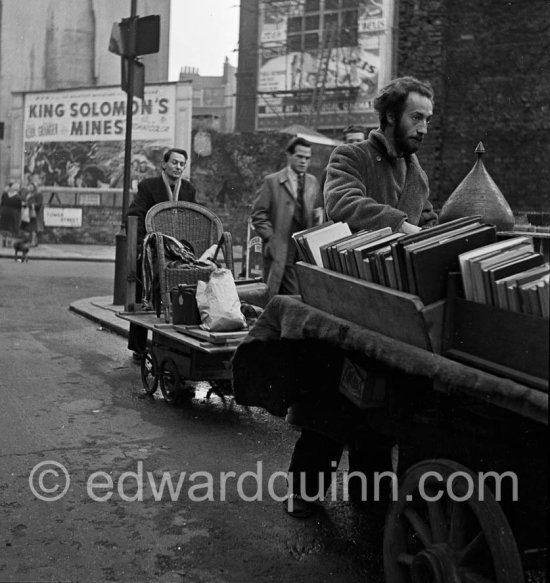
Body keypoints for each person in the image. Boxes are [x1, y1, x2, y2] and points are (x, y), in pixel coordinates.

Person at [285, 76, 438, 518]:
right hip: (345, 303)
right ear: (390, 116)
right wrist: (400, 225)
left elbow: (426, 219)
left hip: (390, 306)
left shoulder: (416, 172)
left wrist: (437, 232)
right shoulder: (350, 156)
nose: (424, 127)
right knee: (329, 411)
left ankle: (368, 504)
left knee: (377, 411)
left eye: (428, 119)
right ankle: (303, 493)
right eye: (417, 117)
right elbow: (343, 202)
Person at [125, 148, 196, 361]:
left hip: (179, 250)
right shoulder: (149, 186)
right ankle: (138, 347)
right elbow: (135, 214)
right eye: (174, 162)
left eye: (182, 164)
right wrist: (139, 246)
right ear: (163, 165)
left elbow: (194, 218)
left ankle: (172, 346)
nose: (178, 167)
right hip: (153, 247)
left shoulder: (189, 189)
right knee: (146, 287)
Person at [251, 137, 322, 296]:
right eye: (299, 156)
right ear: (289, 156)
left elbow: (316, 208)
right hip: (281, 247)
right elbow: (258, 213)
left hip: (303, 249)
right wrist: (270, 237)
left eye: (307, 158)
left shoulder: (312, 182)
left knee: (301, 291)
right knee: (285, 292)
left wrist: (317, 216)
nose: (304, 161)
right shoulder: (272, 181)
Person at [319, 125, 368, 192]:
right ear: (344, 144)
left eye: (359, 141)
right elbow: (322, 199)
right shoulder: (332, 170)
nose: (355, 145)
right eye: (350, 141)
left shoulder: (371, 168)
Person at [0, 182, 23, 247]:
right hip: (10, 213)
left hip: (9, 213)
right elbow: (19, 208)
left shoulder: (17, 197)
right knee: (7, 228)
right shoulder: (16, 197)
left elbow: (2, 204)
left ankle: (7, 242)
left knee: (8, 228)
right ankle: (6, 242)